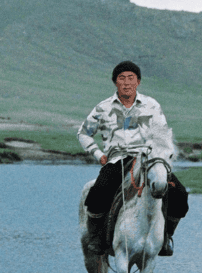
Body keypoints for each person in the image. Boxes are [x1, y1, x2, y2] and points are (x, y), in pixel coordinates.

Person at [78, 61, 189, 256]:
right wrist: (98, 154)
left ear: (138, 82)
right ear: (115, 83)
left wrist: (162, 156)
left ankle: (166, 236)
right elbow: (83, 133)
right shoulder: (103, 107)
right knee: (97, 193)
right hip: (117, 159)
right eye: (122, 78)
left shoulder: (151, 105)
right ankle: (96, 240)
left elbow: (162, 134)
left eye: (131, 78)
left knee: (180, 195)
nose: (126, 83)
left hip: (148, 158)